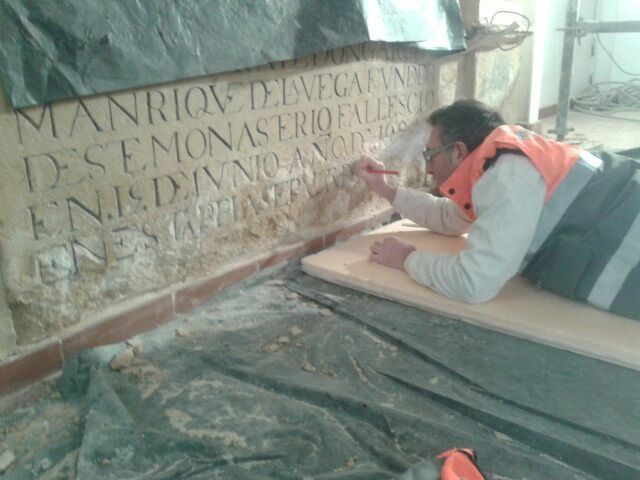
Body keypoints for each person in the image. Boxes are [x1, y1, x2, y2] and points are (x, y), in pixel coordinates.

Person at [355, 99, 640, 320]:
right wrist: (384, 189)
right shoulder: (496, 162)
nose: (428, 168)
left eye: (430, 155)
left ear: (458, 150)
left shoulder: (508, 178)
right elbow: (448, 217)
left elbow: (474, 283)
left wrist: (408, 259)